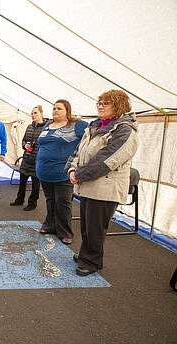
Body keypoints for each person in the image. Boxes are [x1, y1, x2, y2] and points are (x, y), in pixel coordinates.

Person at [66, 90, 138, 276]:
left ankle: (91, 261)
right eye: (99, 102)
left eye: (105, 103)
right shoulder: (94, 127)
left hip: (105, 188)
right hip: (88, 185)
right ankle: (86, 254)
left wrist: (80, 173)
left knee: (96, 227)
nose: (100, 106)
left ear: (118, 105)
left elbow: (107, 160)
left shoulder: (125, 130)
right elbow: (78, 152)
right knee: (87, 225)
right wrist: (72, 169)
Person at [36, 99, 88, 245]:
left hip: (63, 172)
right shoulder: (47, 125)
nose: (55, 111)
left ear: (68, 111)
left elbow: (90, 139)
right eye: (54, 108)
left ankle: (65, 232)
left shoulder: (77, 125)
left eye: (59, 108)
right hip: (44, 171)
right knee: (50, 200)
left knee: (63, 202)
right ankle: (50, 224)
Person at [10, 105, 48, 211]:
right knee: (22, 181)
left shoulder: (46, 128)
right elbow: (24, 140)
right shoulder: (29, 127)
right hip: (27, 158)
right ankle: (19, 200)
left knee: (35, 184)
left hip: (37, 160)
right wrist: (25, 145)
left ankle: (32, 203)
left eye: (35, 113)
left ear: (41, 113)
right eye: (32, 113)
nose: (33, 115)